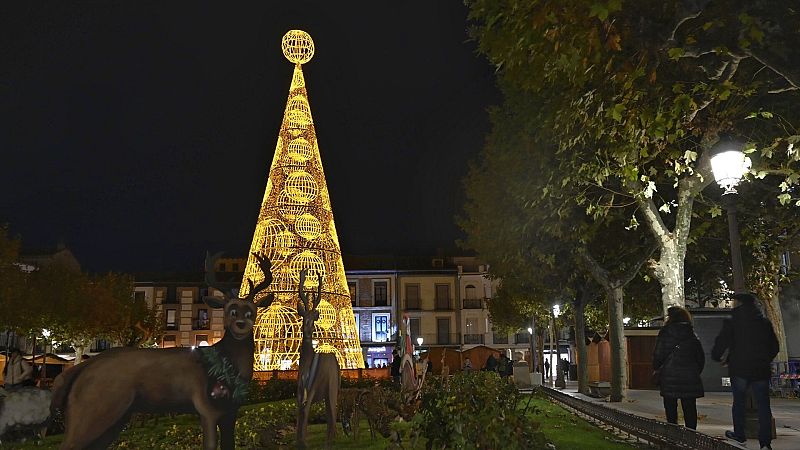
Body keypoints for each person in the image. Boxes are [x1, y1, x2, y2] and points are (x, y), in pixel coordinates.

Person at [712, 292, 779, 450]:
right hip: (760, 369)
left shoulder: (733, 321)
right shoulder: (764, 322)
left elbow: (721, 343)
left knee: (739, 402)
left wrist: (719, 357)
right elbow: (775, 347)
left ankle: (740, 435)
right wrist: (764, 359)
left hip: (739, 368)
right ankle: (765, 442)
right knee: (763, 404)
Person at [652, 306, 705, 430]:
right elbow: (700, 357)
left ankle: (673, 433)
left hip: (669, 375)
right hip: (689, 376)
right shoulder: (691, 334)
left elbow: (658, 354)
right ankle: (691, 434)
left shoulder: (665, 333)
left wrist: (657, 367)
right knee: (690, 407)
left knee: (670, 407)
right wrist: (695, 371)